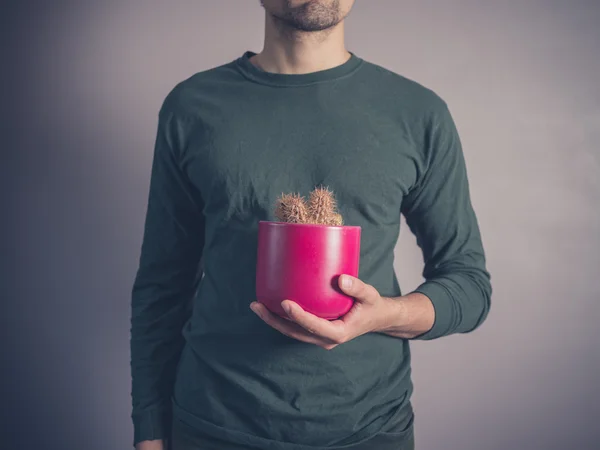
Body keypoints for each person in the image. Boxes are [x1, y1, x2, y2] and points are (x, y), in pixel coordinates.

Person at [130, 1, 492, 449]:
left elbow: (469, 284)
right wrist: (149, 429)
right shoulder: (192, 106)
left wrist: (384, 315)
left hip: (368, 429)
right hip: (212, 424)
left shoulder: (418, 113)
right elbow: (162, 284)